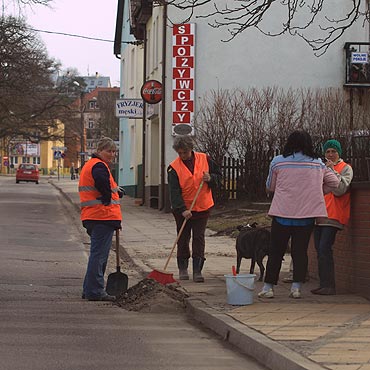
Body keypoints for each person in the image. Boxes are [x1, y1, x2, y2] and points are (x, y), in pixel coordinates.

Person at [258, 131, 340, 299]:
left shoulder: (278, 161)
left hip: (282, 213)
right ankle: (296, 288)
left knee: (276, 251)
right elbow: (335, 183)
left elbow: (270, 186)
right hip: (306, 216)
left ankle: (268, 288)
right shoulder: (318, 163)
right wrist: (317, 191)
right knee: (300, 252)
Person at [167, 135, 221, 283]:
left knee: (199, 237)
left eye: (185, 152)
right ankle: (182, 267)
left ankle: (198, 269)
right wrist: (182, 209)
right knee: (183, 237)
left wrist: (211, 178)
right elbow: (174, 191)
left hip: (202, 206)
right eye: (180, 153)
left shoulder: (205, 159)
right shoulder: (173, 168)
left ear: (191, 149)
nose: (182, 155)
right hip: (183, 209)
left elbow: (219, 176)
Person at [79, 137, 124, 301]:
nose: (111, 154)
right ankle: (95, 291)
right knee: (99, 256)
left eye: (113, 151)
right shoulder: (99, 166)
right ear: (99, 151)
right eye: (108, 151)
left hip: (93, 216)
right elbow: (101, 182)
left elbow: (102, 184)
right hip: (101, 216)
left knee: (97, 255)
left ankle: (88, 288)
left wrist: (115, 191)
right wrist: (107, 196)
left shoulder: (90, 165)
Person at [311, 139, 353, 295]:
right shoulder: (321, 168)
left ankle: (329, 286)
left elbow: (340, 189)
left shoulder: (345, 168)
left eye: (333, 151)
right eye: (327, 151)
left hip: (333, 216)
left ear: (339, 153)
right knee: (319, 251)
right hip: (319, 215)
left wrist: (332, 171)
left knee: (324, 249)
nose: (330, 154)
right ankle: (324, 284)